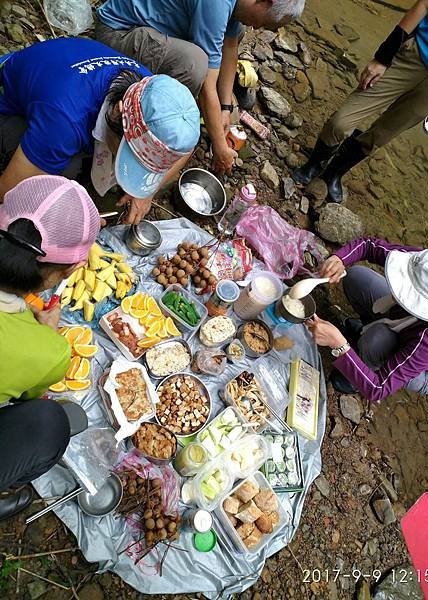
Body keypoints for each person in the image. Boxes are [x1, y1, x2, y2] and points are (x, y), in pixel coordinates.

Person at [0, 37, 200, 224]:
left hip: (59, 73)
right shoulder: (64, 122)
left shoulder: (153, 93)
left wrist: (147, 191)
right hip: (10, 100)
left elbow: (185, 149)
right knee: (64, 173)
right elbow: (7, 194)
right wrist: (70, 222)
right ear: (118, 113)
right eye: (131, 154)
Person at [96, 0, 305, 176]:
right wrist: (220, 147)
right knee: (194, 64)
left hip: (146, 29)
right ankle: (149, 128)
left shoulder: (236, 4)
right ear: (264, 1)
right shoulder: (217, 3)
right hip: (117, 34)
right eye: (265, 22)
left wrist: (225, 108)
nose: (257, 28)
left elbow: (230, 48)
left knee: (233, 36)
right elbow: (207, 85)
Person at [0, 175, 101, 520]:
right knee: (49, 424)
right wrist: (45, 337)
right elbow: (23, 401)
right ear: (70, 269)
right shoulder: (50, 352)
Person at [293, 0, 428, 203]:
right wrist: (383, 57)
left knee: (381, 135)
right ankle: (314, 163)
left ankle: (334, 172)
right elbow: (424, 5)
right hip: (415, 53)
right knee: (341, 122)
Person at [306, 237, 428, 402]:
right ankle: (365, 329)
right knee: (357, 276)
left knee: (377, 340)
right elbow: (369, 245)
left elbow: (379, 389)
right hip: (408, 320)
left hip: (426, 372)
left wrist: (339, 346)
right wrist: (339, 259)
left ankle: (358, 377)